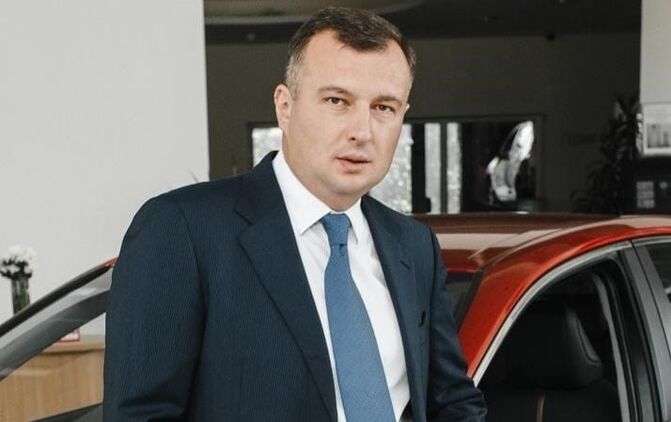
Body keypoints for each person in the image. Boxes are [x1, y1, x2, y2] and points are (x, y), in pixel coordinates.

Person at [104, 6, 486, 421]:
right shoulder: (182, 229)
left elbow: (451, 400)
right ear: (284, 106)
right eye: (337, 101)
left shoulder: (413, 245)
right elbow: (141, 415)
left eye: (383, 108)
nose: (362, 131)